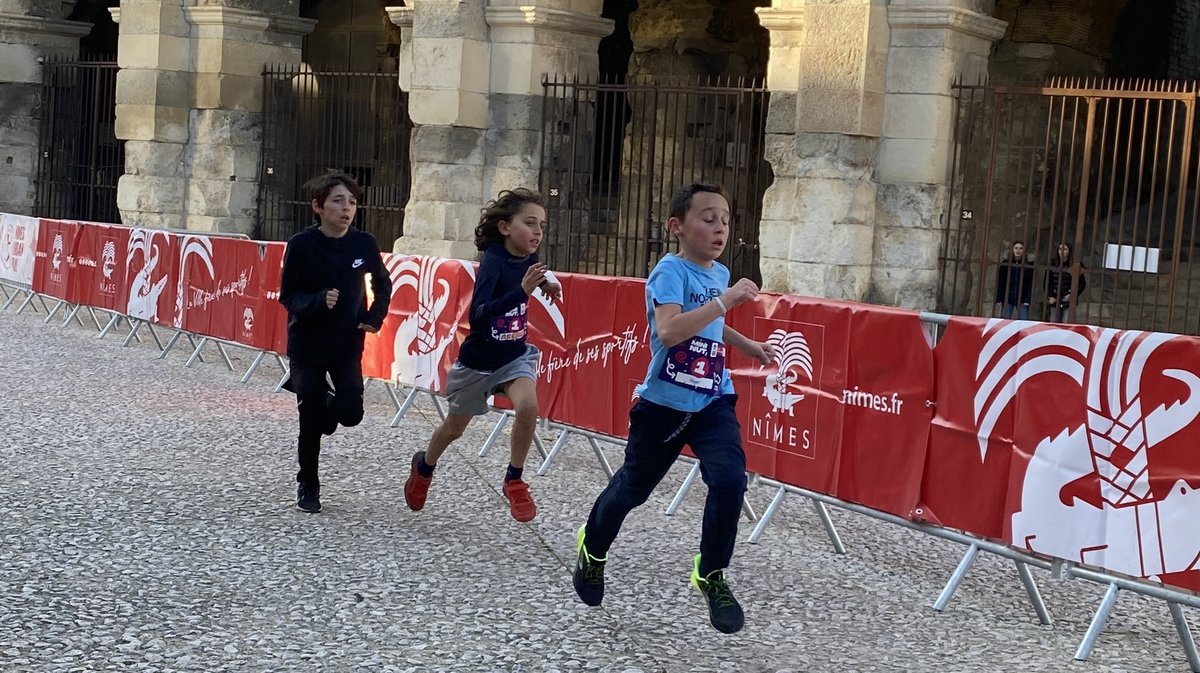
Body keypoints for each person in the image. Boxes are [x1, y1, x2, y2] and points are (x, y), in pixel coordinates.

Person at [571, 183, 777, 634]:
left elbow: (712, 326)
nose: (719, 227)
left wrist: (747, 345)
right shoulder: (670, 271)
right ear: (676, 227)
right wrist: (726, 302)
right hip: (663, 403)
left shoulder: (720, 274)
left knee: (728, 479)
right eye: (707, 218)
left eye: (725, 218)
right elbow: (669, 331)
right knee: (633, 490)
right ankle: (593, 548)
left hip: (712, 400)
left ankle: (712, 573)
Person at [403, 188, 561, 522]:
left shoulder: (529, 258)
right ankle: (425, 466)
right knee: (453, 429)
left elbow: (533, 276)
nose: (538, 232)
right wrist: (522, 291)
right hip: (477, 362)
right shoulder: (492, 261)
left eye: (542, 225)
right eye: (529, 223)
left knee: (529, 406)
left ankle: (514, 479)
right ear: (505, 227)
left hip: (514, 356)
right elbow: (478, 315)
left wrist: (547, 283)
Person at [279, 170, 392, 513]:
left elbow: (383, 284)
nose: (347, 209)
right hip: (307, 344)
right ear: (318, 206)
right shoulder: (301, 245)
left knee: (350, 413)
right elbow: (289, 296)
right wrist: (317, 301)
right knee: (310, 421)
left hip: (346, 342)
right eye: (338, 201)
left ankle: (325, 401)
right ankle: (308, 485)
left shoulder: (363, 243)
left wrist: (373, 318)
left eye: (353, 202)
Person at [1045, 241, 1087, 323]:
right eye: (1060, 249)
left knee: (1067, 325)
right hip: (1055, 299)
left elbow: (1082, 283)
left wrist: (1072, 295)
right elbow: (1047, 282)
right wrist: (1049, 296)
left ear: (1069, 251)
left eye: (1065, 249)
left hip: (1068, 300)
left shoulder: (1075, 264)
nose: (1062, 251)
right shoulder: (1052, 263)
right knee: (1054, 325)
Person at [994, 240, 1034, 320]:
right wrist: (999, 298)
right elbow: (1001, 282)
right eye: (1016, 248)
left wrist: (1027, 299)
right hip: (1007, 297)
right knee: (1005, 321)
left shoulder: (1028, 266)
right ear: (1012, 249)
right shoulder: (1005, 264)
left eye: (1020, 248)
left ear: (1024, 251)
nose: (1018, 250)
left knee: (1024, 321)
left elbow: (1030, 284)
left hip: (1022, 298)